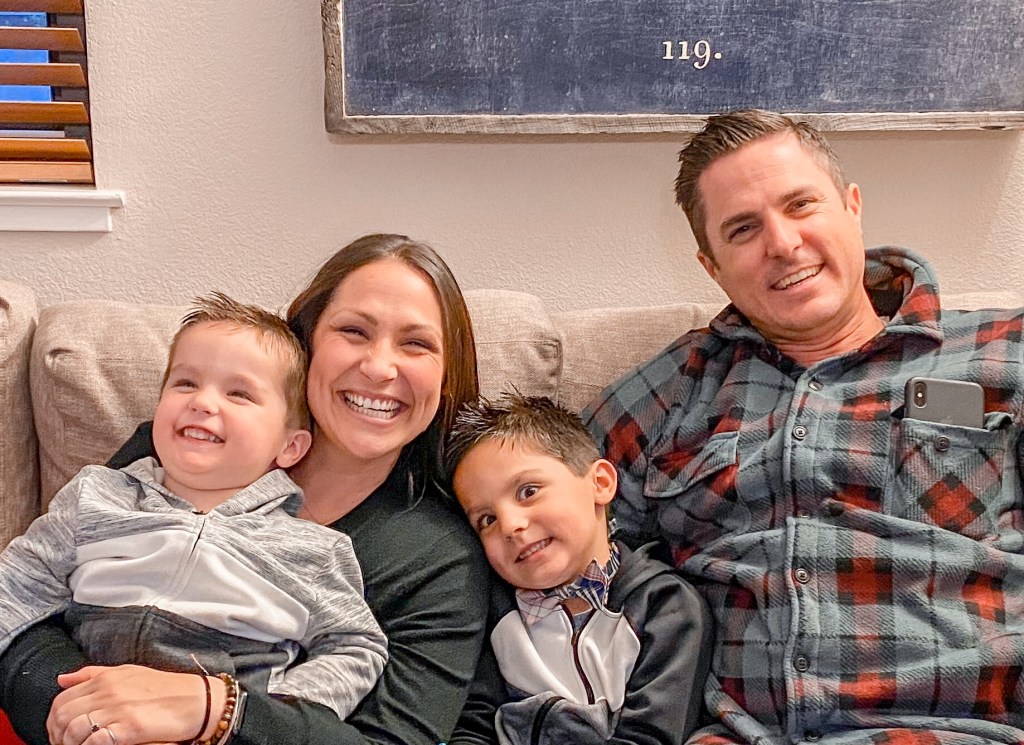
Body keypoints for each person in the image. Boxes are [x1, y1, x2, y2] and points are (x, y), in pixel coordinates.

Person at [584, 108, 1024, 744]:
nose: (783, 243)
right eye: (743, 229)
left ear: (852, 207)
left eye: (800, 205)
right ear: (711, 266)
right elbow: (536, 503)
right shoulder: (674, 388)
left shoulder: (1002, 354)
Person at [0, 234, 493, 745]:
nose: (378, 367)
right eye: (353, 331)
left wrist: (220, 710)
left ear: (447, 373)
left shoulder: (439, 559)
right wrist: (89, 715)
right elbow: (28, 606)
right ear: (307, 340)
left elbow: (391, 735)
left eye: (416, 344)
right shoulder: (177, 449)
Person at [0, 292, 388, 737]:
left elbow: (356, 647)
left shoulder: (314, 549)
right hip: (85, 711)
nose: (203, 402)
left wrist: (275, 707)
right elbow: (16, 585)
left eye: (239, 393)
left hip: (215, 723)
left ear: (290, 447)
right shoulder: (97, 496)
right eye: (185, 383)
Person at [446, 392, 711, 745]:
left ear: (600, 483)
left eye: (528, 491)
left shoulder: (665, 607)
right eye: (487, 519)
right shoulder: (494, 614)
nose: (510, 525)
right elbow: (472, 726)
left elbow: (650, 736)